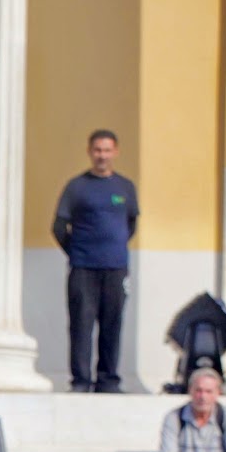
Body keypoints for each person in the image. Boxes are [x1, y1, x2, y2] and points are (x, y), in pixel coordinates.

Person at [53, 129, 139, 393]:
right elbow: (58, 227)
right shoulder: (76, 187)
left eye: (107, 150)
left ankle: (108, 380)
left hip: (115, 268)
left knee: (112, 324)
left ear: (116, 152)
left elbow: (131, 223)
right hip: (83, 269)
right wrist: (78, 252)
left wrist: (113, 249)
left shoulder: (125, 187)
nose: (102, 155)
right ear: (90, 152)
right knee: (81, 325)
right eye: (97, 150)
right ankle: (80, 381)